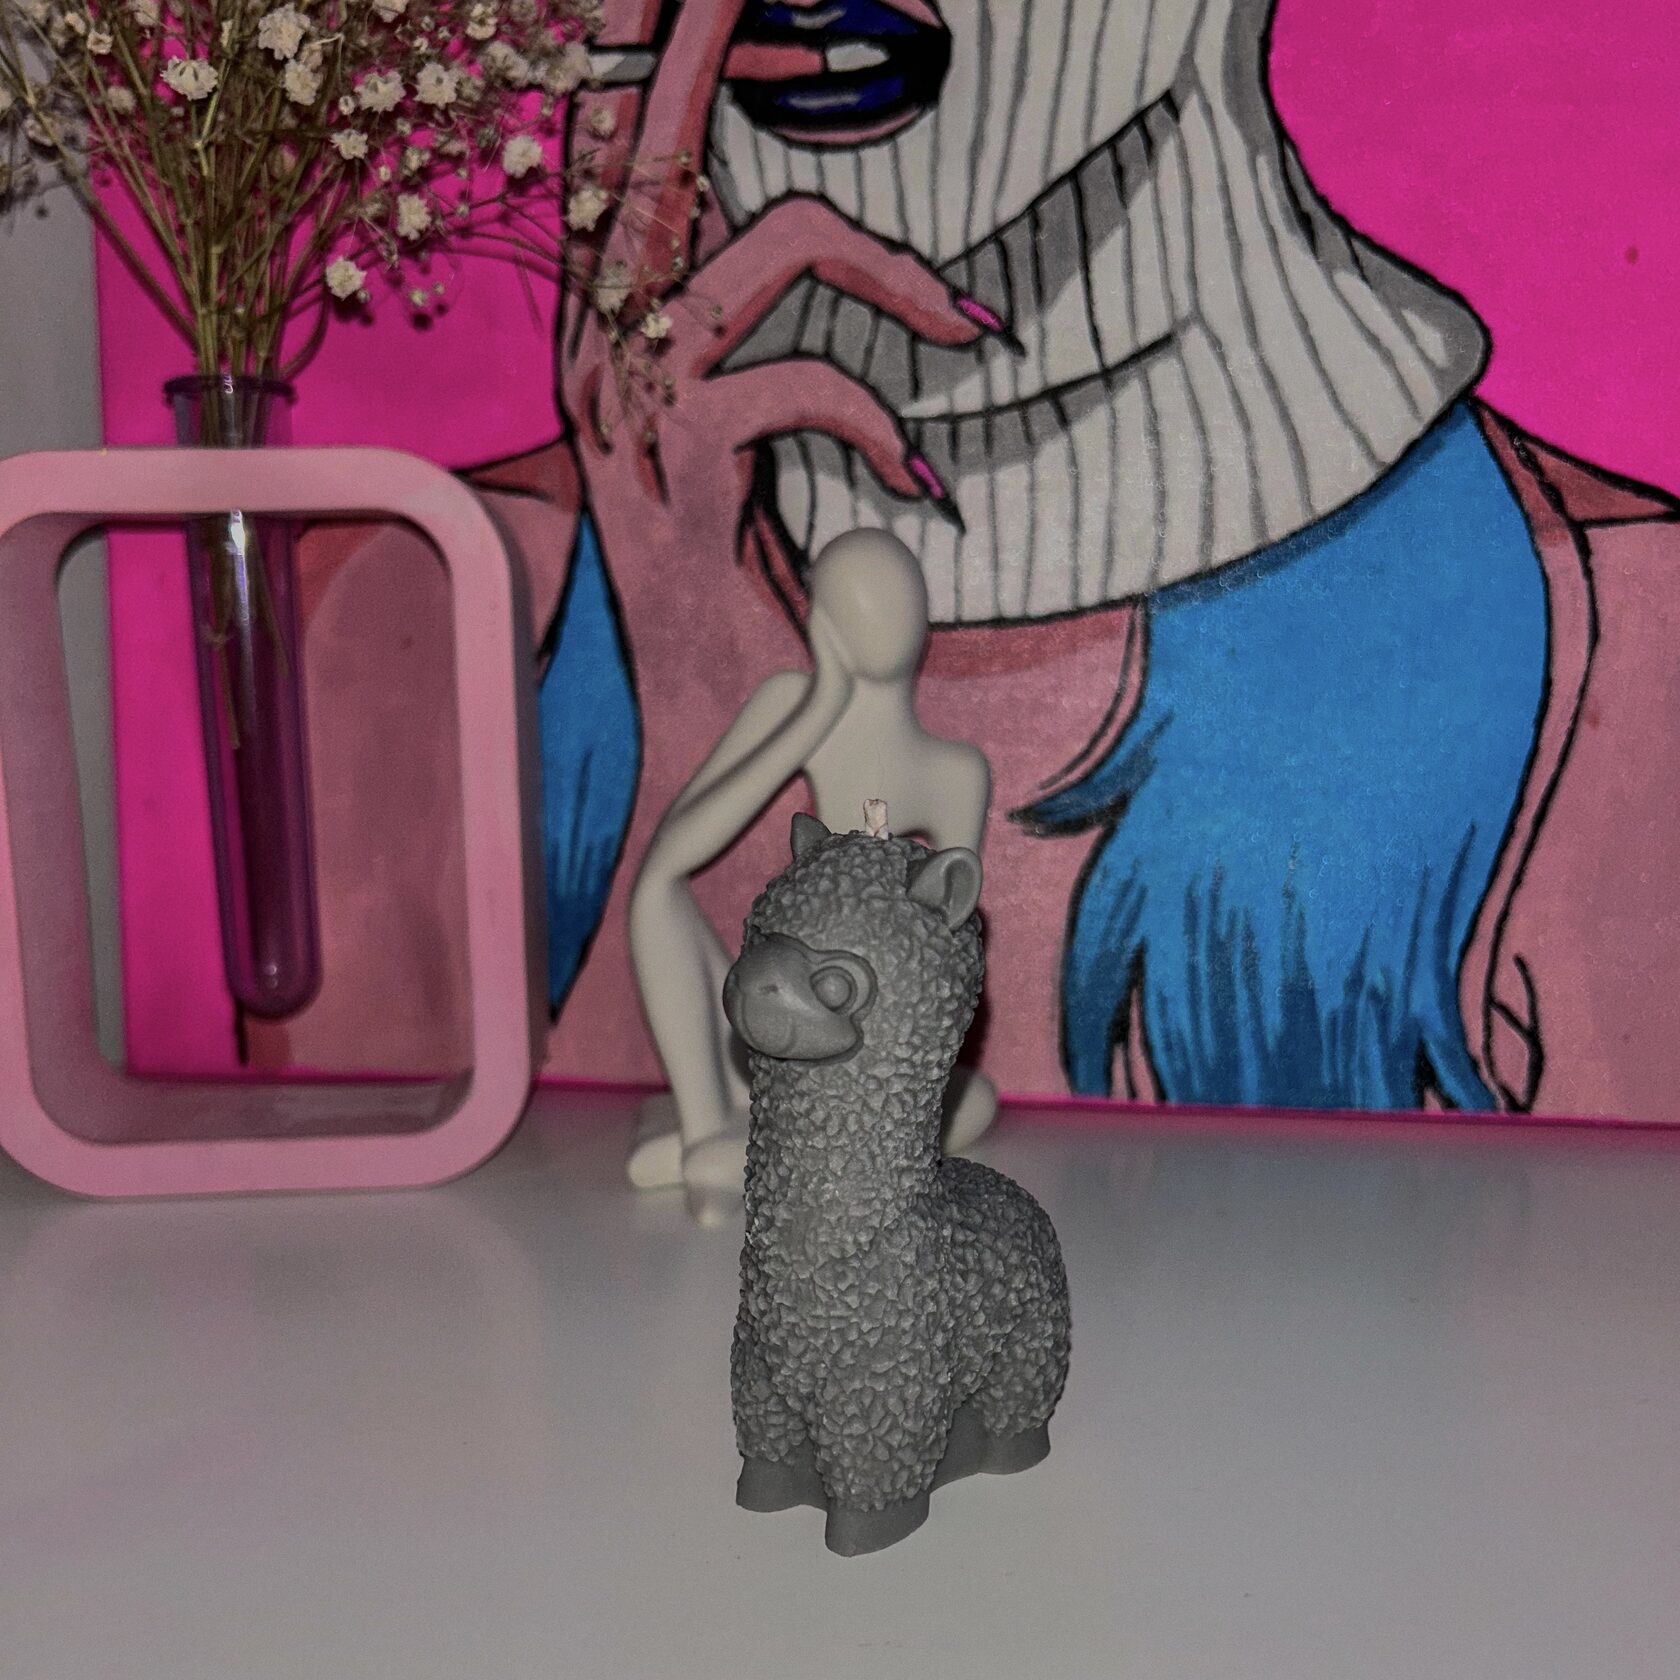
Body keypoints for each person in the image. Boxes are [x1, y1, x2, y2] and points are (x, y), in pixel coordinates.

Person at [627, 529, 993, 1222]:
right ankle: (707, 1131)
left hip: (863, 1026)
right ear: (822, 616)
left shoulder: (953, 771)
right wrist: (819, 707)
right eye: (855, 598)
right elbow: (672, 854)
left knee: (969, 1096)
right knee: (654, 896)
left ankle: (762, 1151)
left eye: (896, 594)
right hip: (773, 1002)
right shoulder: (787, 702)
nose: (881, 614)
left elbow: (949, 957)